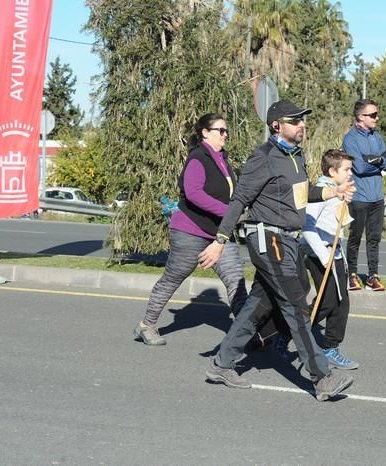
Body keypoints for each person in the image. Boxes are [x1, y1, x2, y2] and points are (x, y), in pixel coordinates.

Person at [199, 99, 356, 401]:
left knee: (258, 305)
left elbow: (302, 193)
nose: (302, 125)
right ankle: (322, 378)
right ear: (276, 126)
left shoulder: (296, 157)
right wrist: (219, 241)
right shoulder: (263, 157)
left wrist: (333, 191)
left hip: (287, 240)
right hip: (267, 239)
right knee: (295, 306)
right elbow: (239, 200)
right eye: (295, 121)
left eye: (303, 120)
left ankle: (222, 363)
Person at [133, 113, 247, 346]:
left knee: (236, 279)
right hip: (190, 231)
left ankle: (245, 333)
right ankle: (147, 325)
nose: (225, 135)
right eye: (220, 131)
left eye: (227, 131)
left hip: (219, 233)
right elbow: (193, 193)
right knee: (174, 277)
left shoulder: (223, 160)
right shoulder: (198, 157)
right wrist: (227, 211)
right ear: (205, 133)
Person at [301, 149, 358, 370]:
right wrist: (325, 257)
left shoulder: (338, 191)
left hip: (336, 254)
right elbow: (307, 227)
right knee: (326, 303)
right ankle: (289, 333)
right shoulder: (322, 191)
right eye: (346, 169)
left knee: (342, 302)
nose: (350, 173)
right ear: (333, 171)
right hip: (320, 254)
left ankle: (330, 348)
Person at [342, 99, 386, 292]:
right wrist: (379, 162)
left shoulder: (377, 137)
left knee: (374, 239)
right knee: (355, 237)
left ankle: (373, 276)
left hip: (377, 197)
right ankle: (352, 275)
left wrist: (378, 160)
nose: (376, 118)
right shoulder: (350, 139)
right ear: (360, 117)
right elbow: (360, 168)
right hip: (359, 197)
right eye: (372, 115)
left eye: (376, 114)